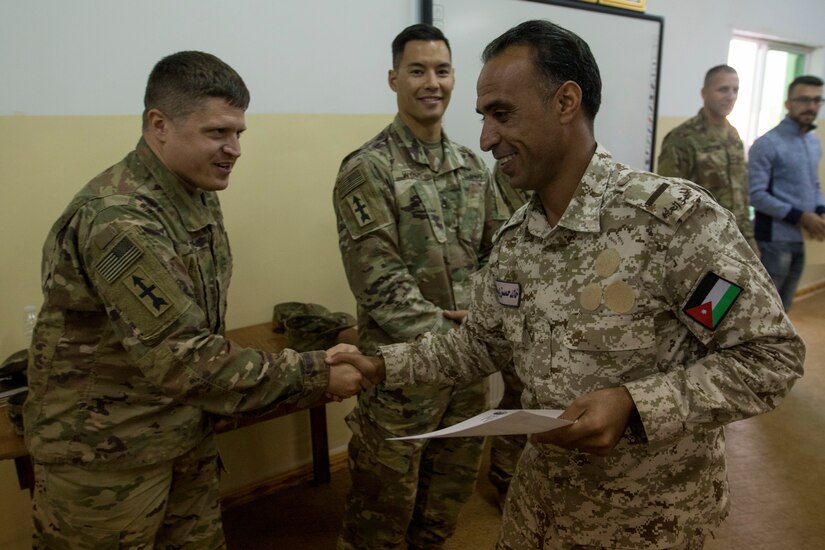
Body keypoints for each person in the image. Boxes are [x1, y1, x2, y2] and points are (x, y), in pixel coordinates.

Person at [329, 20, 805, 549]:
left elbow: (767, 357)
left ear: (565, 102)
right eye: (484, 118)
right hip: (537, 514)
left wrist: (635, 403)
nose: (486, 139)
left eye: (502, 115)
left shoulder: (673, 224)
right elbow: (479, 342)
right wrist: (381, 365)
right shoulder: (517, 240)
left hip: (646, 526)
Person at [23, 51, 364, 549]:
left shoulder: (194, 192)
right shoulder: (121, 220)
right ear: (158, 124)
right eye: (217, 133)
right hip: (105, 457)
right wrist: (314, 373)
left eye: (238, 134)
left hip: (180, 431)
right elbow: (185, 360)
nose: (234, 149)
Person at [332, 24, 514, 549]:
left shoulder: (472, 167)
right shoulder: (368, 169)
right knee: (380, 516)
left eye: (441, 70)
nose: (430, 82)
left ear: (454, 77)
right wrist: (454, 341)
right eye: (417, 70)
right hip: (401, 375)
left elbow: (493, 254)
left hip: (464, 377)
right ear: (394, 79)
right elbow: (379, 283)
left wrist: (482, 314)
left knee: (442, 508)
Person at [657, 64, 758, 252]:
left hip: (737, 240)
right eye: (723, 89)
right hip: (700, 243)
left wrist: (750, 241)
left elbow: (741, 193)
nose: (731, 96)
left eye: (735, 90)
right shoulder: (682, 138)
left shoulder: (733, 135)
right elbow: (669, 198)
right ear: (704, 93)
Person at [748, 75, 825, 311]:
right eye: (803, 100)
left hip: (804, 238)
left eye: (817, 100)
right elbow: (756, 195)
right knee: (763, 309)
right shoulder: (767, 143)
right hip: (773, 241)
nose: (811, 106)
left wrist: (821, 210)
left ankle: (778, 350)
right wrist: (800, 216)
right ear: (788, 104)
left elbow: (813, 183)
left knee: (785, 310)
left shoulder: (813, 142)